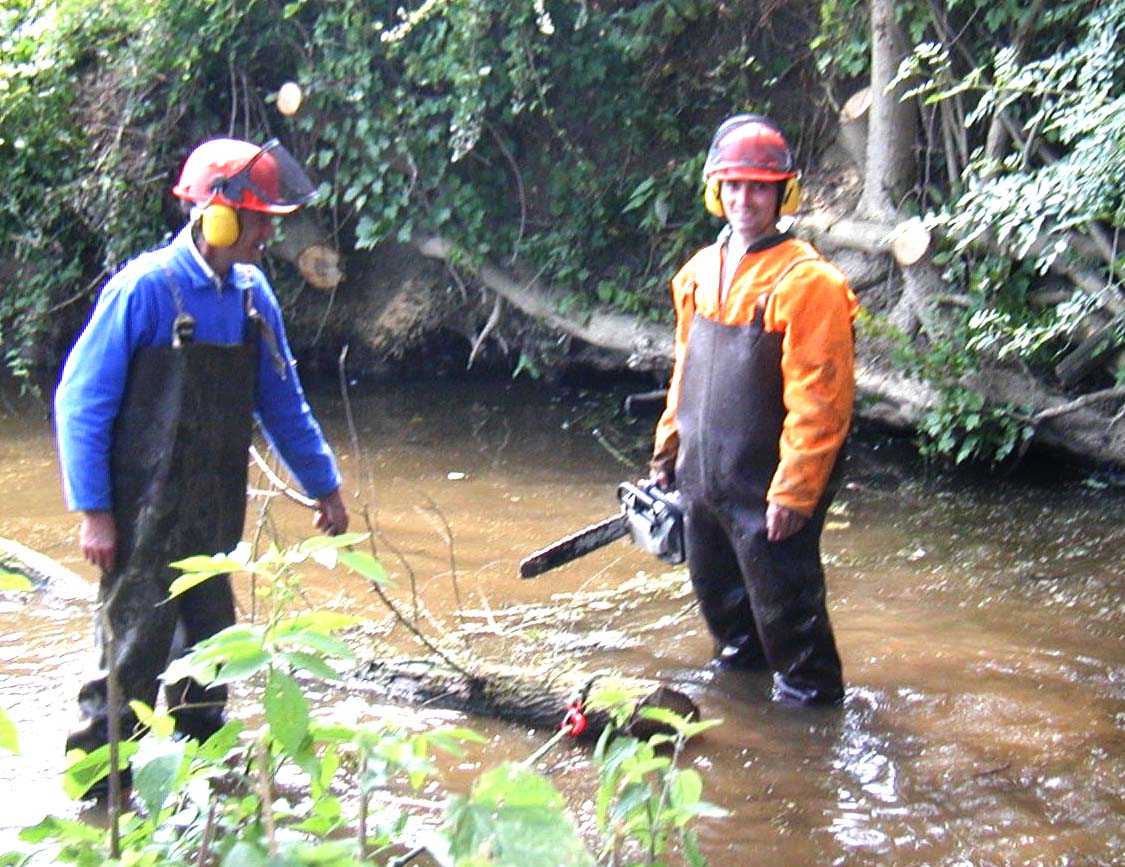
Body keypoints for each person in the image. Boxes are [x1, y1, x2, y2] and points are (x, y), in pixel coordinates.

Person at [54, 137, 350, 766]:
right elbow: (80, 404)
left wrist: (325, 485)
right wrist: (94, 513)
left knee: (211, 660)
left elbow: (284, 404)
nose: (268, 235)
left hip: (213, 518)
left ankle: (204, 799)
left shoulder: (252, 296)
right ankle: (100, 801)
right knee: (128, 664)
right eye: (260, 220)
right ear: (217, 214)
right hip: (140, 520)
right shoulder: (146, 290)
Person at [649, 114, 857, 706]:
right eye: (734, 185)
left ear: (782, 193)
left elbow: (822, 401)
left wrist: (795, 493)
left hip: (768, 488)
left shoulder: (809, 282)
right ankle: (745, 719)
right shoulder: (698, 272)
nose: (745, 199)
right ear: (717, 190)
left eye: (759, 186)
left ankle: (812, 734)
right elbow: (685, 369)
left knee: (791, 623)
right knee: (727, 619)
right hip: (703, 481)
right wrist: (668, 448)